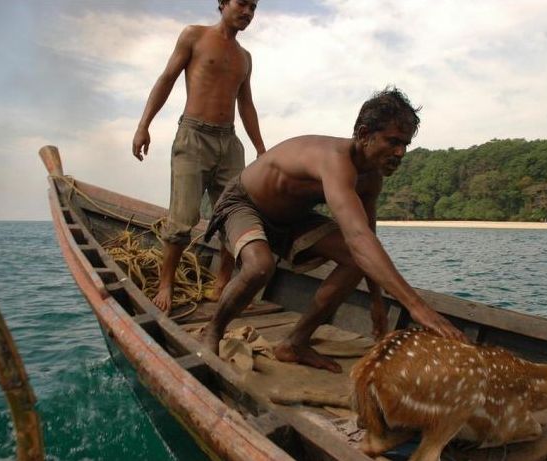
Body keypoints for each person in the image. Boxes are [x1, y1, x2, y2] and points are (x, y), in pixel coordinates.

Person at [201, 87, 468, 373]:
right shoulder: (334, 160)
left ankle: (295, 342)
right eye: (392, 141)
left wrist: (378, 302)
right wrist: (417, 307)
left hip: (294, 218)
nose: (400, 152)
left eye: (404, 144)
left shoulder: (371, 179)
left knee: (355, 260)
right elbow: (357, 236)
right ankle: (213, 331)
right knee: (259, 266)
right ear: (364, 134)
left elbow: (367, 238)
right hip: (246, 204)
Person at [132, 0, 266, 313]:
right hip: (193, 137)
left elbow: (246, 104)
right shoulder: (194, 36)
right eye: (242, 4)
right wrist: (143, 126)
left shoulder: (245, 58)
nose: (247, 12)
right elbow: (166, 79)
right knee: (183, 217)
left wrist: (260, 147)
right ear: (222, 4)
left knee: (232, 214)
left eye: (254, 8)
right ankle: (167, 282)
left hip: (229, 142)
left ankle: (222, 282)